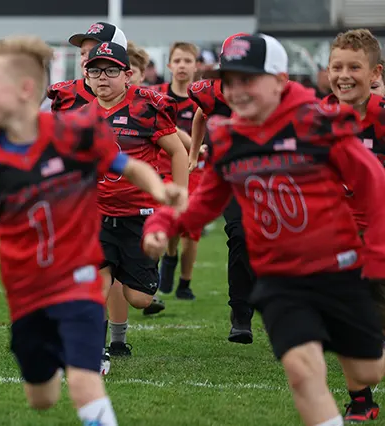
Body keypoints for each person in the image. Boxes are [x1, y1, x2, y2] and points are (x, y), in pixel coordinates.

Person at [144, 33, 385, 426]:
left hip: (338, 269)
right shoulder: (230, 137)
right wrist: (162, 223)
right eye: (231, 81)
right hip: (278, 278)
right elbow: (205, 202)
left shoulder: (318, 123)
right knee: (303, 373)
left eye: (248, 79)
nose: (237, 91)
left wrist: (376, 256)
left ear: (280, 79)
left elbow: (374, 181)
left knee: (367, 372)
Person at [0, 35, 185, 426]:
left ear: (26, 89)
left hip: (79, 279)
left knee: (84, 380)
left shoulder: (73, 133)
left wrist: (161, 189)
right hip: (26, 292)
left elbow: (129, 165)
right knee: (41, 396)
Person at [82, 42, 189, 360]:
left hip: (140, 217)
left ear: (128, 75)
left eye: (112, 70)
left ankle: (133, 304)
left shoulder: (145, 108)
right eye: (95, 70)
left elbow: (178, 151)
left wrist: (178, 200)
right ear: (86, 77)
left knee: (139, 297)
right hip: (97, 215)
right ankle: (95, 351)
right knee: (97, 283)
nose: (103, 77)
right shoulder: (82, 116)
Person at [323, 28, 385, 422]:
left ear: (375, 72)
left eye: (354, 67)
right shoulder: (315, 119)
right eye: (336, 67)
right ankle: (360, 398)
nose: (344, 75)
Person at [186, 33, 257, 344]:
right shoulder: (212, 91)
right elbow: (201, 115)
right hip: (229, 176)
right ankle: (241, 314)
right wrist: (194, 150)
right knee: (239, 234)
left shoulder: (274, 92)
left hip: (271, 177)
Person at [148, 42, 203, 300]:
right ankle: (169, 257)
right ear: (169, 65)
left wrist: (202, 149)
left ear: (196, 65)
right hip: (164, 168)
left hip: (197, 172)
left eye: (187, 61)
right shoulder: (157, 95)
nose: (182, 65)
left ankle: (185, 283)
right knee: (170, 215)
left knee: (192, 230)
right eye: (177, 60)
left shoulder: (203, 98)